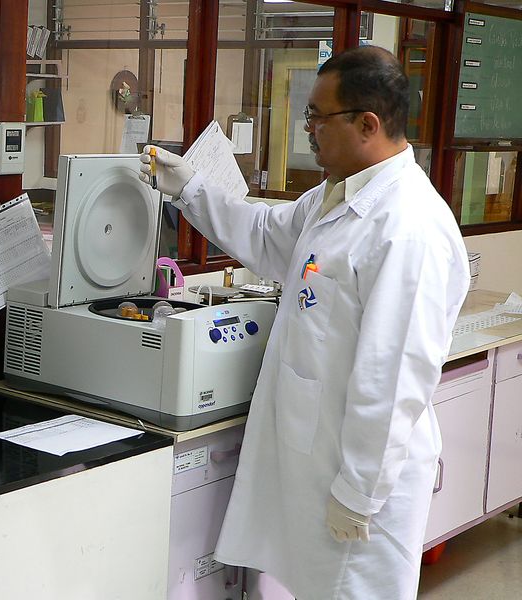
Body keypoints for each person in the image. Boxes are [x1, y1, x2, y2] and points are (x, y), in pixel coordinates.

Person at [139, 46, 469, 600]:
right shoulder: (337, 194)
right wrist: (190, 188)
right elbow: (267, 235)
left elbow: (392, 380)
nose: (308, 129)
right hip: (319, 465)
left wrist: (358, 495)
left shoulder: (408, 227)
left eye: (318, 116)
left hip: (362, 489)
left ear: (367, 124)